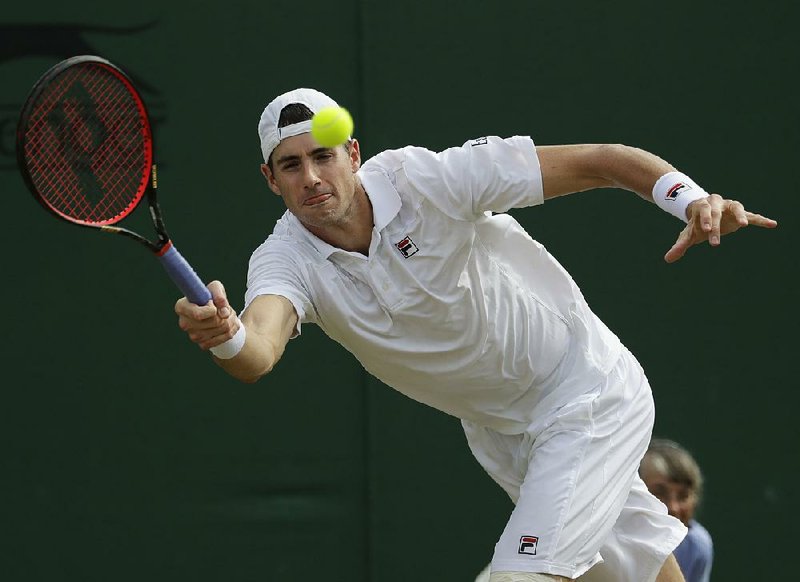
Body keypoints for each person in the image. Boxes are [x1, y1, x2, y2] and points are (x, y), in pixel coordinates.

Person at [175, 88, 777, 582]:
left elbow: (603, 159)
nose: (311, 177)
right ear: (269, 179)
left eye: (323, 156)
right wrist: (225, 334)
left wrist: (691, 199)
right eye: (291, 165)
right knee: (634, 574)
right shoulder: (283, 259)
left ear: (353, 154)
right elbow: (258, 350)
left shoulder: (430, 179)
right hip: (503, 433)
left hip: (585, 391)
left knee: (519, 577)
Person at [640, 439, 714, 582]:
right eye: (659, 492)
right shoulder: (605, 535)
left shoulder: (697, 546)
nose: (673, 507)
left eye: (683, 496)